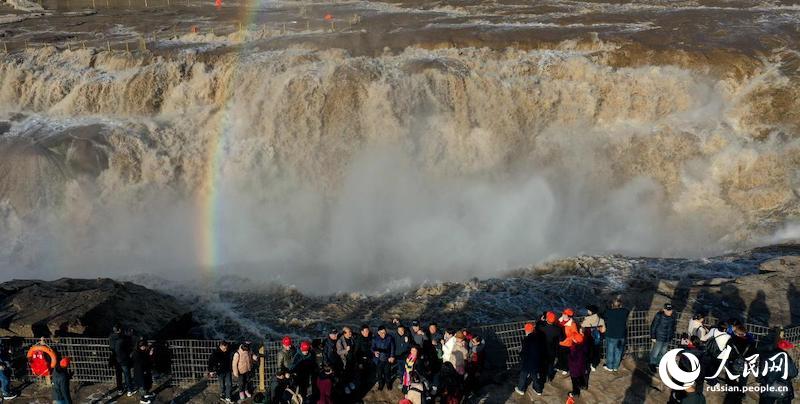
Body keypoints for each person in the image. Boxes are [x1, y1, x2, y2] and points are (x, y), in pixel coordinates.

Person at [757, 330, 798, 404]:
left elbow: (760, 375)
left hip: (767, 388)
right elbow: (793, 373)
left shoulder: (764, 356)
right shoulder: (784, 356)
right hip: (782, 387)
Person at [516, 322, 542, 396]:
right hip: (536, 359)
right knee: (534, 375)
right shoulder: (537, 337)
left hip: (528, 361)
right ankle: (538, 390)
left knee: (523, 374)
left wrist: (520, 354)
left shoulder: (526, 340)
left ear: (526, 330)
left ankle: (520, 389)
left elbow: (524, 352)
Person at [603, 297, 629, 371]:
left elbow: (604, 315)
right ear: (621, 305)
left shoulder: (609, 312)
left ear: (612, 305)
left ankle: (610, 366)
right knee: (619, 351)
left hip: (611, 335)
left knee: (610, 351)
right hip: (621, 335)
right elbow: (626, 310)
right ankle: (616, 366)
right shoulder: (625, 311)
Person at [649, 303, 676, 372]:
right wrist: (653, 336)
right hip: (659, 337)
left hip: (667, 338)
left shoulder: (673, 316)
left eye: (671, 310)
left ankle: (659, 363)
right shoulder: (659, 316)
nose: (669, 312)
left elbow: (673, 327)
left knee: (663, 352)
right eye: (668, 310)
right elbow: (653, 326)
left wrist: (671, 335)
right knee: (655, 352)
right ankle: (652, 364)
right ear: (664, 309)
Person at [539, 311, 563, 384]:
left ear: (546, 319)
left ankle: (543, 377)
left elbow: (537, 329)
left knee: (543, 363)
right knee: (551, 363)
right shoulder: (558, 329)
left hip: (543, 349)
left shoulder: (542, 328)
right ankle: (550, 377)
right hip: (553, 349)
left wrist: (540, 321)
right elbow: (561, 339)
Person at [580, 304, 605, 371]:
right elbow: (603, 330)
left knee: (587, 352)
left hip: (588, 339)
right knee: (596, 352)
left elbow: (581, 330)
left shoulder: (586, 320)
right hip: (597, 339)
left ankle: (587, 365)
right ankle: (594, 365)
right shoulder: (601, 320)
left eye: (588, 310)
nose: (587, 311)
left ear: (591, 312)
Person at [110, 325, 134, 395]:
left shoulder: (111, 337)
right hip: (123, 359)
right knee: (127, 375)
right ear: (119, 330)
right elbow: (128, 348)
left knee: (118, 375)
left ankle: (120, 390)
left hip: (115, 359)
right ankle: (129, 390)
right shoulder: (123, 338)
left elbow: (111, 348)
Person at [566, 325, 588, 398]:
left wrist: (568, 357)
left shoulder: (573, 348)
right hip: (582, 367)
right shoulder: (584, 345)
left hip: (574, 369)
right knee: (581, 376)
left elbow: (571, 358)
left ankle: (575, 392)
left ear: (575, 340)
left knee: (574, 381)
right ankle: (583, 385)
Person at [372, 325, 396, 391]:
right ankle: (380, 384)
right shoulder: (375, 339)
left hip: (387, 358)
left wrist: (392, 356)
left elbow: (392, 348)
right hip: (378, 359)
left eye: (385, 332)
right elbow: (372, 348)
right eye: (382, 333)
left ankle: (388, 384)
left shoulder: (390, 338)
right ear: (378, 332)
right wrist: (374, 352)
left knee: (387, 372)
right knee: (379, 373)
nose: (384, 334)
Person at [558, 308, 579, 375]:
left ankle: (566, 368)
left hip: (567, 343)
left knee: (566, 357)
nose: (563, 314)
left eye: (565, 314)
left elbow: (575, 334)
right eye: (563, 313)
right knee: (560, 356)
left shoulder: (572, 324)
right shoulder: (559, 321)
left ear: (569, 316)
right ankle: (561, 366)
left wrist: (567, 338)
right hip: (559, 342)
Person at [354, 325, 373, 395]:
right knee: (361, 375)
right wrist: (359, 363)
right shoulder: (359, 339)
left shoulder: (370, 336)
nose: (367, 332)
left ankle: (366, 385)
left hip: (369, 358)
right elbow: (356, 352)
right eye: (366, 331)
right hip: (362, 360)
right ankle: (361, 390)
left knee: (368, 373)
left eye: (368, 331)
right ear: (362, 332)